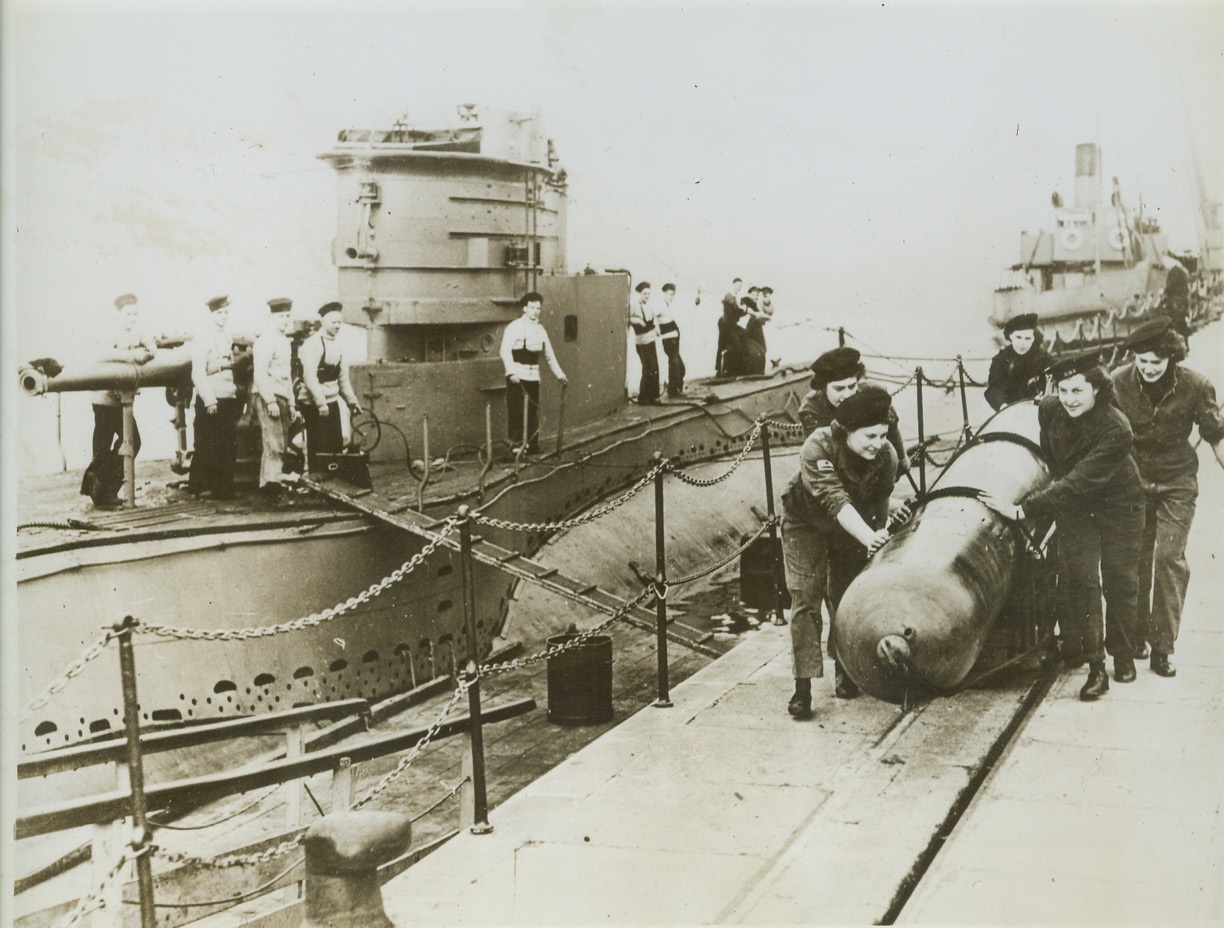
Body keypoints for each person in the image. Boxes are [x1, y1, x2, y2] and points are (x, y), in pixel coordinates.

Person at [981, 352, 1145, 699]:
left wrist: (1023, 511)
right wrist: (1053, 506)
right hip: (1078, 507)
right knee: (1082, 580)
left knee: (1120, 579)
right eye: (1064, 390)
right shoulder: (1050, 409)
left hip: (1120, 505)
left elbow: (1078, 481)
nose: (1069, 399)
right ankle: (1095, 667)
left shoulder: (1117, 428)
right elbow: (1054, 462)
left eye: (1078, 391)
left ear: (1097, 390)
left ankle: (1123, 653)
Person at [781, 388, 909, 716]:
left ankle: (845, 669)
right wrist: (869, 537)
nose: (878, 443)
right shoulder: (818, 446)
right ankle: (803, 687)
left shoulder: (886, 457)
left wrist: (879, 533)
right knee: (806, 597)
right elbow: (835, 500)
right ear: (847, 430)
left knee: (845, 594)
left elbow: (877, 507)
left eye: (883, 435)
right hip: (806, 521)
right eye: (870, 436)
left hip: (849, 526)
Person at [1111, 317, 1224, 678]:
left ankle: (1162, 647)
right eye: (1141, 362)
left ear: (1171, 359)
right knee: (1135, 561)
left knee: (1167, 557)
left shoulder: (1196, 386)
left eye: (1155, 364)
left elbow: (1216, 436)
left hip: (1177, 482)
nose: (1147, 370)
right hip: (1133, 483)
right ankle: (1136, 638)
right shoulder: (1117, 383)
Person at [80, 293, 157, 509]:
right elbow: (101, 355)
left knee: (133, 441)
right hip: (104, 400)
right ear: (118, 314)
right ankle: (100, 491)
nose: (131, 318)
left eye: (134, 314)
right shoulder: (110, 333)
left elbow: (152, 347)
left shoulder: (136, 333)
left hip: (121, 401)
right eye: (127, 314)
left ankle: (105, 488)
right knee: (103, 448)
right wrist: (131, 356)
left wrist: (147, 349)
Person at [798, 346, 909, 478]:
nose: (847, 395)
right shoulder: (811, 409)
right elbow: (821, 449)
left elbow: (891, 426)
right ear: (823, 387)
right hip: (836, 465)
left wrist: (902, 460)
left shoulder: (872, 393)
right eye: (839, 389)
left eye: (851, 386)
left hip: (869, 450)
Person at [499, 291, 567, 453]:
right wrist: (511, 373)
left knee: (532, 412)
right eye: (532, 307)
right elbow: (504, 350)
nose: (535, 311)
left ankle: (531, 444)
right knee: (517, 412)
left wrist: (560, 375)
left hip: (533, 378)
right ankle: (515, 446)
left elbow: (549, 357)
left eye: (538, 308)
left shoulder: (540, 331)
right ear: (525, 308)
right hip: (517, 378)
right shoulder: (514, 327)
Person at [188, 295, 242, 499]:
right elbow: (198, 373)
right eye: (219, 313)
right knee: (207, 443)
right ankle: (201, 486)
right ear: (211, 314)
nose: (223, 316)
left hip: (228, 397)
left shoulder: (226, 335)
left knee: (227, 444)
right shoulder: (203, 337)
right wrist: (209, 399)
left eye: (226, 312)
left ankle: (223, 488)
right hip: (211, 399)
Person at [299, 301, 362, 466]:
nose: (337, 326)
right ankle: (318, 481)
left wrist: (352, 402)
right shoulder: (312, 344)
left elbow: (342, 379)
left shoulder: (337, 346)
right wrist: (320, 403)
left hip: (330, 401)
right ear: (324, 322)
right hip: (313, 403)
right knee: (320, 446)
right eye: (333, 322)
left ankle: (333, 479)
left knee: (335, 443)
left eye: (339, 322)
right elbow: (309, 377)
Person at [253, 297, 299, 503]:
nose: (285, 320)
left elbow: (287, 376)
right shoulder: (265, 341)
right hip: (269, 396)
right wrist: (270, 401)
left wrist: (291, 403)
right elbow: (260, 374)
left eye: (288, 316)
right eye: (281, 316)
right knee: (274, 443)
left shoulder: (284, 341)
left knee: (278, 442)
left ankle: (269, 485)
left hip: (281, 395)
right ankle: (272, 487)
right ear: (272, 318)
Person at [984, 312, 1053, 410]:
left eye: (1027, 338)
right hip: (1011, 409)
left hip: (1038, 409)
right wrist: (1002, 406)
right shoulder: (1001, 360)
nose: (1022, 343)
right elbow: (993, 389)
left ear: (1033, 339)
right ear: (1011, 336)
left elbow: (1058, 368)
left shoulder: (1042, 356)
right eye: (1018, 337)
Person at [628, 281, 661, 404]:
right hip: (642, 342)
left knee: (654, 367)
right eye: (644, 293)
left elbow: (653, 321)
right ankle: (643, 397)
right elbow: (627, 318)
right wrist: (637, 321)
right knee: (647, 368)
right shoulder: (635, 305)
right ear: (640, 294)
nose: (647, 296)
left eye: (648, 294)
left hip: (651, 340)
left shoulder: (649, 306)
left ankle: (653, 396)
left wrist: (657, 328)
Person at [656, 282, 685, 397]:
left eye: (673, 295)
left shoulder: (667, 305)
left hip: (674, 339)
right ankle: (673, 390)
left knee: (678, 366)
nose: (672, 297)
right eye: (670, 294)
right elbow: (652, 315)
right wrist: (656, 328)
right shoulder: (661, 306)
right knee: (676, 365)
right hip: (669, 340)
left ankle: (674, 388)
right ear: (664, 293)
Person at [1156, 254, 1191, 338]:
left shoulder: (1174, 271)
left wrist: (1163, 291)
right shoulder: (1181, 271)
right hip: (1182, 301)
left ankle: (1179, 344)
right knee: (1181, 323)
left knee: (1176, 323)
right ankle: (1184, 345)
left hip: (1176, 302)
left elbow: (1171, 285)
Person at [717, 278, 744, 373]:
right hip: (725, 323)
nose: (739, 288)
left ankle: (725, 368)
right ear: (733, 285)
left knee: (725, 344)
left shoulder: (736, 297)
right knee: (729, 345)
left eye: (740, 286)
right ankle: (725, 369)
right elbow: (733, 305)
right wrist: (741, 308)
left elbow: (738, 311)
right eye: (737, 285)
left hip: (730, 323)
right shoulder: (729, 295)